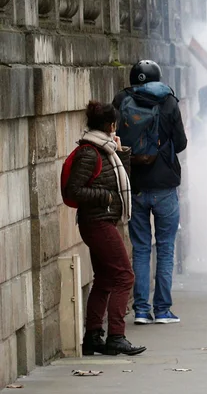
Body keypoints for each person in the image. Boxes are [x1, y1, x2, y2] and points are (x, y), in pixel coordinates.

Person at [63, 101, 146, 356]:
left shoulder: (106, 150)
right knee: (124, 276)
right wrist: (106, 198)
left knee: (106, 279)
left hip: (103, 221)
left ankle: (93, 336)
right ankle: (116, 337)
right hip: (97, 222)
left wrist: (121, 154)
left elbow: (123, 182)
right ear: (111, 125)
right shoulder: (90, 152)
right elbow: (73, 190)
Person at [113, 60, 188, 325]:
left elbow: (114, 140)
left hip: (135, 185)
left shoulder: (122, 99)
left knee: (141, 248)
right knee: (166, 248)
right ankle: (163, 310)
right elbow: (180, 143)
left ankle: (142, 310)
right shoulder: (168, 101)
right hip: (165, 185)